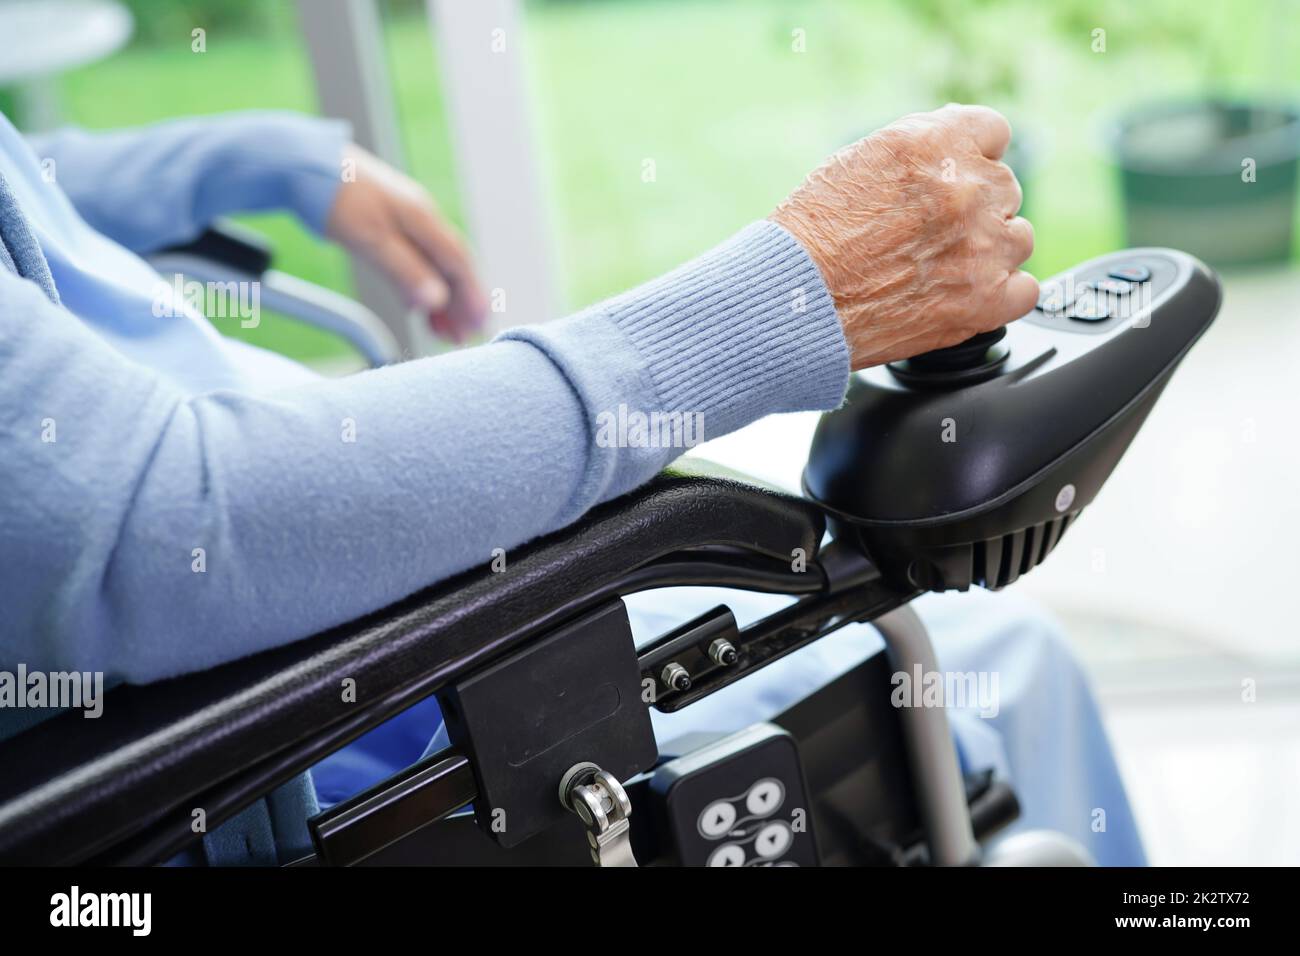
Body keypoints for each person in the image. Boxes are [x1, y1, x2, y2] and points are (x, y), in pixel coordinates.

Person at [0, 103, 1142, 865]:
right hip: (333, 737)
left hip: (341, 627)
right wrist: (786, 304)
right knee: (999, 670)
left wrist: (260, 161)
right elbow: (151, 534)